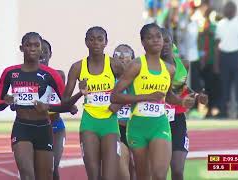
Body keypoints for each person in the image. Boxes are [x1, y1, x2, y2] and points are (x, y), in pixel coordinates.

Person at [110, 23, 195, 180]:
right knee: (144, 176)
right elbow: (115, 96)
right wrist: (146, 97)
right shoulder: (136, 65)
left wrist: (182, 102)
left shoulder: (169, 69)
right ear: (143, 42)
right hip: (137, 127)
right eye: (150, 37)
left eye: (158, 37)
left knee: (159, 175)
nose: (155, 40)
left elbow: (167, 96)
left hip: (160, 125)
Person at [0, 32, 69, 180]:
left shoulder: (52, 74)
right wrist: (6, 101)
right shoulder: (10, 72)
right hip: (22, 128)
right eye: (28, 45)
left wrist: (48, 107)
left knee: (47, 175)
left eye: (36, 45)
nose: (32, 49)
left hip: (44, 128)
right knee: (27, 175)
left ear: (41, 49)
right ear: (22, 48)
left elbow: (69, 106)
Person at [62, 26, 123, 180]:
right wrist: (79, 94)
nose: (96, 42)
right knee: (94, 176)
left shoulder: (114, 64)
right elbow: (64, 102)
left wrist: (119, 104)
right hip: (89, 124)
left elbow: (130, 87)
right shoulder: (77, 67)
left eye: (100, 39)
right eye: (91, 39)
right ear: (86, 42)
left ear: (106, 42)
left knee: (109, 176)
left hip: (110, 123)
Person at [161, 28, 208, 180]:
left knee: (177, 169)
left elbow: (183, 88)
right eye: (160, 41)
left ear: (172, 42)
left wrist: (196, 95)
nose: (163, 44)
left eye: (166, 40)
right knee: (157, 172)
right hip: (155, 119)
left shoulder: (184, 65)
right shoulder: (148, 67)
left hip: (177, 119)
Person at [40, 39, 78, 180]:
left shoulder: (58, 75)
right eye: (40, 50)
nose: (42, 54)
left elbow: (65, 101)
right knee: (36, 169)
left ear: (51, 54)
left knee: (52, 167)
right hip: (34, 127)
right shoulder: (25, 76)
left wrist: (70, 106)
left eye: (46, 51)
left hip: (56, 127)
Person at [214, 1, 238, 118]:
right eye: (225, 8)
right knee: (224, 86)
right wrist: (216, 63)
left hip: (237, 56)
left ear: (234, 10)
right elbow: (217, 44)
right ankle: (223, 111)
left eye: (228, 8)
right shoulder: (220, 24)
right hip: (224, 56)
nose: (226, 10)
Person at [113, 44, 136, 180]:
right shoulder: (109, 79)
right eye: (118, 55)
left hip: (138, 128)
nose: (122, 58)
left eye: (126, 56)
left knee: (138, 169)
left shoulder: (139, 79)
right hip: (118, 129)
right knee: (123, 173)